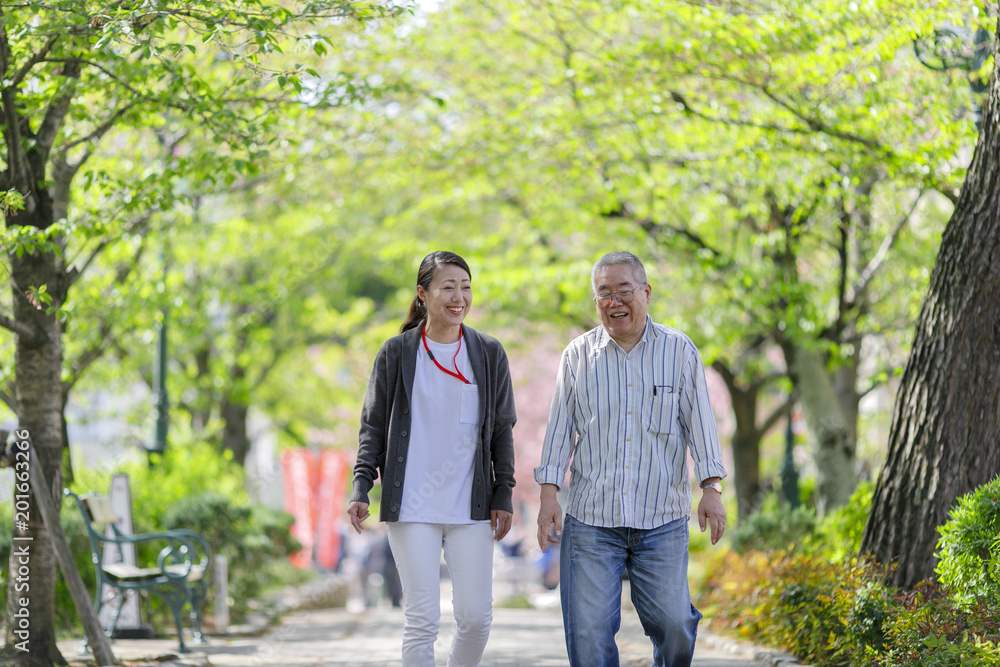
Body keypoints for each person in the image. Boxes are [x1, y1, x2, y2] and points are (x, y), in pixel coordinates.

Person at [534, 251, 727, 667]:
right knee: (588, 635)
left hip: (661, 518)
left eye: (624, 290)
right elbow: (558, 433)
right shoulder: (577, 356)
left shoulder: (679, 351)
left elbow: (701, 425)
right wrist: (549, 498)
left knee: (675, 624)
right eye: (603, 293)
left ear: (646, 292)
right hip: (592, 521)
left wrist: (711, 489)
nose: (614, 301)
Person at [348, 250, 517, 667]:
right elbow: (373, 428)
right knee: (422, 619)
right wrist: (361, 486)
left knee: (476, 619)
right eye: (448, 287)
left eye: (465, 287)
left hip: (471, 505)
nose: (459, 296)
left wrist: (504, 492)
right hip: (413, 506)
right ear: (423, 294)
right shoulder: (397, 353)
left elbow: (501, 430)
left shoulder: (489, 352)